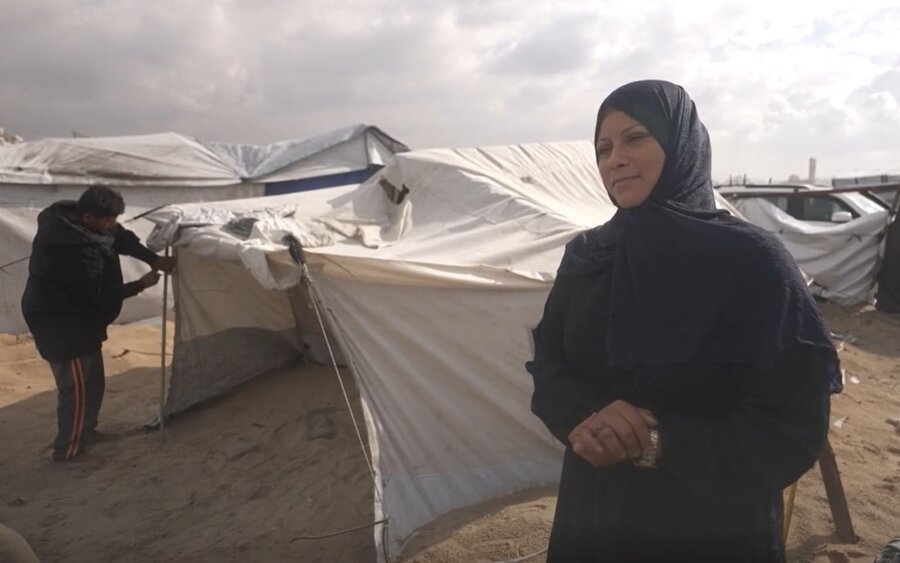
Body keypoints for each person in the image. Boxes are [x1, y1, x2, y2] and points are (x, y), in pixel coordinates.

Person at [526, 80, 840, 562]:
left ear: (681, 146)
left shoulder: (752, 263)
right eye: (603, 148)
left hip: (710, 525)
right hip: (593, 517)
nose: (615, 159)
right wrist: (583, 417)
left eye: (635, 138)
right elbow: (548, 365)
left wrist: (653, 443)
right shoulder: (589, 257)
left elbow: (791, 427)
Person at [21, 186, 176, 463]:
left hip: (81, 318)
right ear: (89, 216)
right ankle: (67, 449)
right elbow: (96, 294)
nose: (112, 226)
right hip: (59, 320)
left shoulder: (84, 222)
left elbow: (120, 238)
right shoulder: (67, 248)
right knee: (76, 386)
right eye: (108, 221)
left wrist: (153, 259)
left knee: (93, 379)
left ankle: (87, 432)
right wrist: (140, 284)